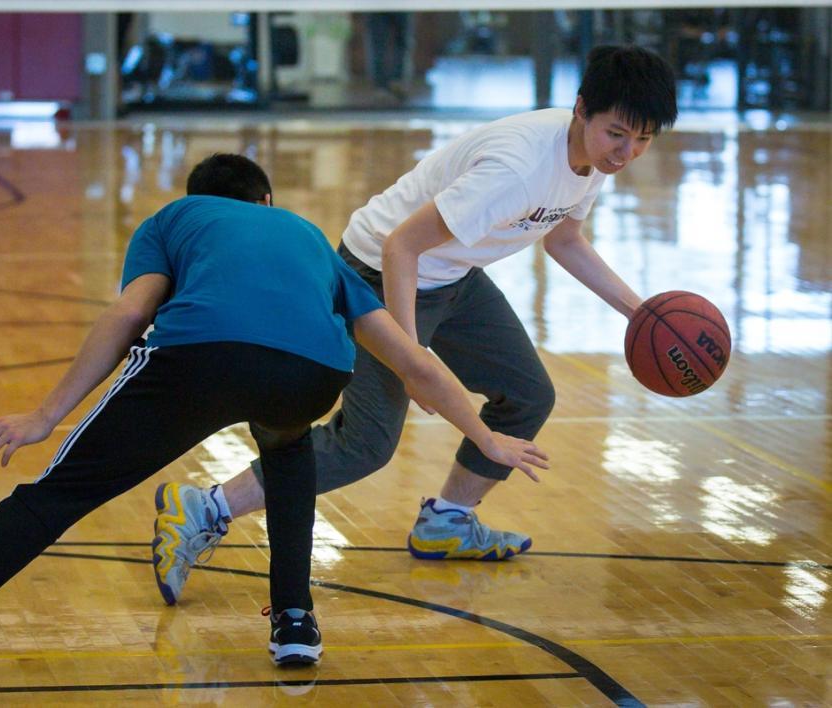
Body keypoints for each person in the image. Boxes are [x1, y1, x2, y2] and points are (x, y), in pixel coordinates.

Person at [0, 154, 548, 695]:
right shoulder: (303, 236)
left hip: (197, 358)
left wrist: (46, 415)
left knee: (51, 500)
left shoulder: (173, 220)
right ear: (266, 199)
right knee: (290, 448)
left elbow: (129, 313)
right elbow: (408, 357)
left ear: (199, 201)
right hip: (311, 376)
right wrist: (485, 438)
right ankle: (294, 622)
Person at [153, 45, 678, 605]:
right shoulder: (519, 169)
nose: (627, 152)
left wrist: (641, 314)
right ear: (581, 110)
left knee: (528, 394)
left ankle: (447, 522)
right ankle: (203, 508)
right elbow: (402, 244)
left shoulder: (588, 160)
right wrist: (408, 356)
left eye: (642, 140)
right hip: (378, 271)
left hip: (452, 274)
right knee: (367, 444)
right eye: (617, 134)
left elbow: (564, 239)